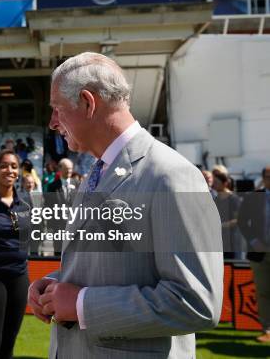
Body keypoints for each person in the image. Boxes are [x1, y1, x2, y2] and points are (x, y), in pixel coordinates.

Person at [28, 52, 223, 358]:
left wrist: (82, 304)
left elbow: (196, 302)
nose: (53, 123)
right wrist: (54, 285)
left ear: (88, 103)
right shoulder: (98, 170)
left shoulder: (172, 176)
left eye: (57, 109)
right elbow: (115, 266)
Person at [0, 149, 31, 359]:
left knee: (10, 340)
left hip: (19, 276)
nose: (9, 170)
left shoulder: (26, 203)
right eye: (4, 165)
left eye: (13, 166)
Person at [237, 165, 270, 343]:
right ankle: (267, 330)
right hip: (260, 253)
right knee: (263, 292)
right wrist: (253, 241)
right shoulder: (253, 198)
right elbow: (242, 221)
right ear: (263, 178)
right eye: (269, 176)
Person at [212, 170, 245, 259]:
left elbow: (239, 219)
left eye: (216, 182)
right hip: (219, 239)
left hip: (231, 239)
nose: (213, 184)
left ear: (225, 183)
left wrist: (223, 225)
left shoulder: (234, 199)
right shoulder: (216, 198)